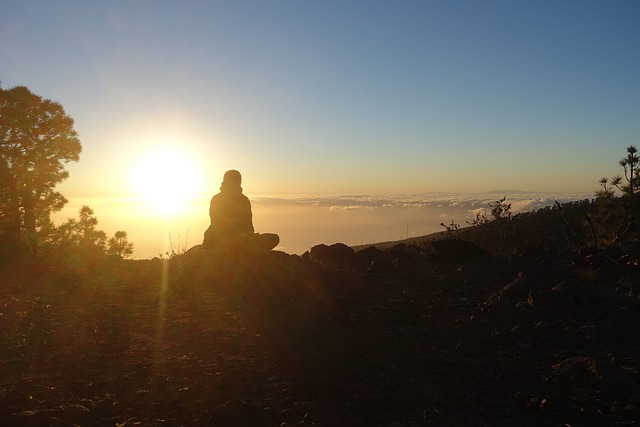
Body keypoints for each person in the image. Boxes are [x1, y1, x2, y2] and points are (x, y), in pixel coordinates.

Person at [202, 170, 279, 252]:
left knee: (274, 238)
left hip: (231, 240)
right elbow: (217, 224)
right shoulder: (221, 199)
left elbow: (248, 226)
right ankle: (235, 248)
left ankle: (234, 247)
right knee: (273, 238)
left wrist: (248, 236)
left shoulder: (239, 199)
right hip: (224, 240)